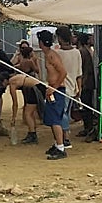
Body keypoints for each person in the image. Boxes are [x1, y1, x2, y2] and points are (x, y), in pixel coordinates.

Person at [38, 30, 69, 159]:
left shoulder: (52, 55)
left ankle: (61, 147)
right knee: (51, 119)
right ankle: (57, 144)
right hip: (52, 89)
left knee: (56, 119)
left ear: (41, 42)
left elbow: (63, 72)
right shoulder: (47, 55)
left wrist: (54, 87)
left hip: (57, 90)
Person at [55, 26, 83, 149]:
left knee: (62, 113)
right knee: (65, 112)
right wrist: (79, 88)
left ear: (60, 38)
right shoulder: (77, 52)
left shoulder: (57, 53)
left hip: (61, 87)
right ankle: (65, 136)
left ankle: (65, 138)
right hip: (72, 87)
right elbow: (79, 73)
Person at [9, 40, 41, 143]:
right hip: (31, 82)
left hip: (27, 84)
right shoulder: (30, 61)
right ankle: (32, 133)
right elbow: (37, 70)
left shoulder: (22, 62)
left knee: (28, 110)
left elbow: (15, 66)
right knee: (29, 111)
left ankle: (32, 133)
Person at [77, 32, 99, 142]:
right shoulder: (88, 51)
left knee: (86, 107)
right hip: (90, 82)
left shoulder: (82, 52)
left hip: (86, 83)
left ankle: (88, 128)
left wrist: (81, 84)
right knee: (87, 106)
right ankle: (88, 128)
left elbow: (84, 69)